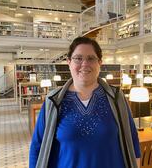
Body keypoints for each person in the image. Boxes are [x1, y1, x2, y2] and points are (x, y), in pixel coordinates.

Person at [29, 36, 141, 168]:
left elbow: (132, 140)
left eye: (91, 58)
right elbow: (37, 147)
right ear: (69, 62)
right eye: (78, 58)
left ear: (100, 62)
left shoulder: (116, 97)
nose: (84, 64)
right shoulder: (53, 102)